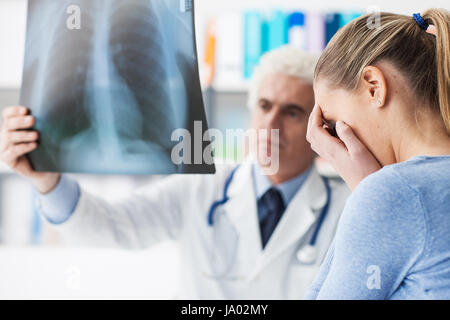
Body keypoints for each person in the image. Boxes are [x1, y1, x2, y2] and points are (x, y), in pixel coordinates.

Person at [0, 46, 350, 299]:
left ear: (319, 128)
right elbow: (112, 226)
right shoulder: (200, 187)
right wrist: (47, 182)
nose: (271, 125)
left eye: (291, 112)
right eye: (263, 107)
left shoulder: (346, 211)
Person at [305, 9, 450, 299]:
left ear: (374, 87)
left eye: (332, 125)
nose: (329, 144)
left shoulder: (394, 193)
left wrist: (366, 189)